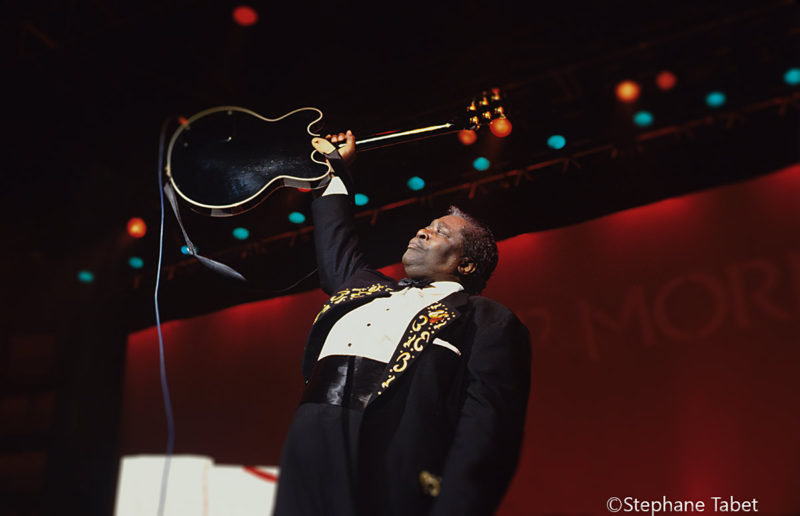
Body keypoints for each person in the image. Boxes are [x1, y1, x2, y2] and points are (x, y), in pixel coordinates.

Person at [274, 131, 531, 516]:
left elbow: (487, 428)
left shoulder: (486, 319)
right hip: (311, 435)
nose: (423, 231)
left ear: (466, 263)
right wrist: (333, 170)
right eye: (427, 225)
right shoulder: (365, 286)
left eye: (442, 232)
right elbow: (335, 241)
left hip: (389, 450)